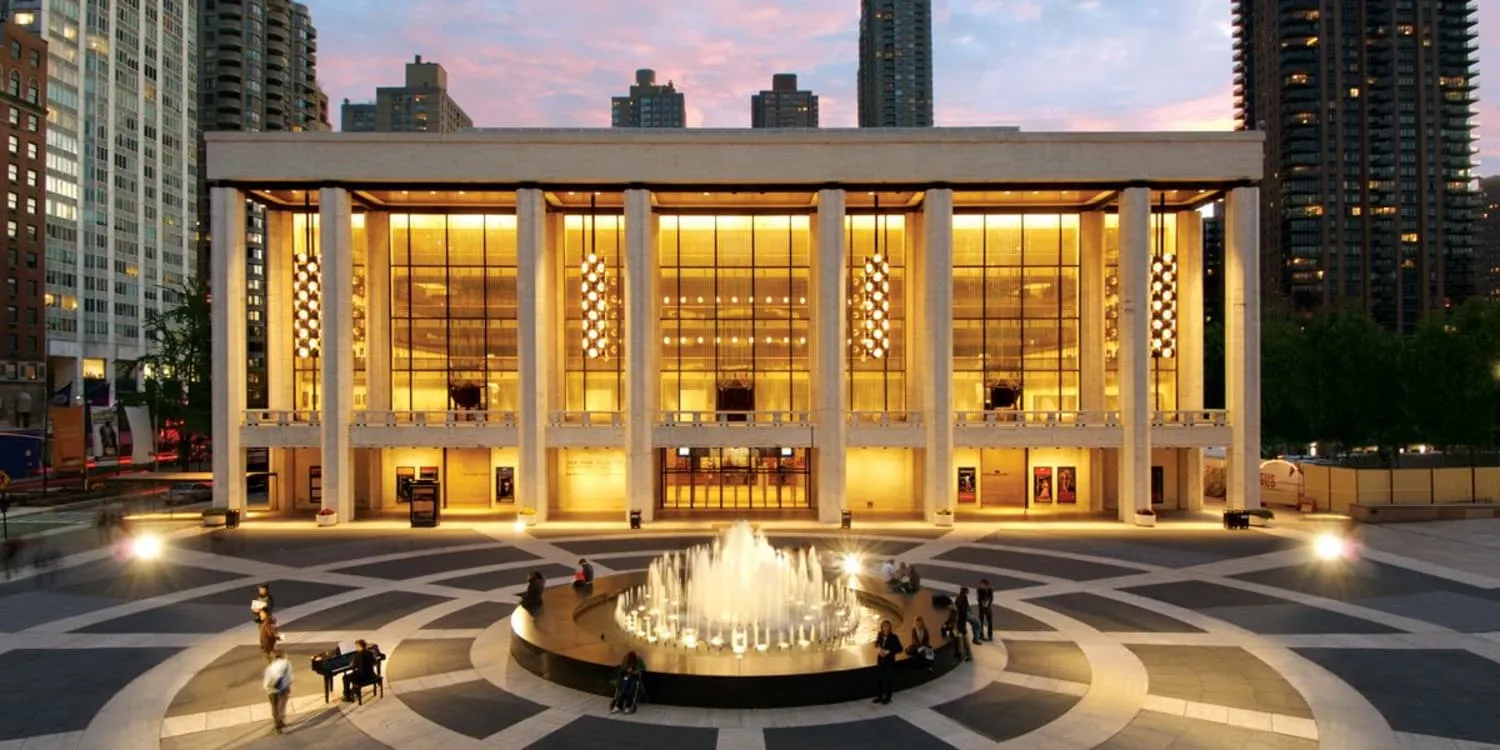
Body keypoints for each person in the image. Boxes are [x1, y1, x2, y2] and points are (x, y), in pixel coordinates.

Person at [263, 648, 293, 733]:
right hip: (280, 688)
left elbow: (276, 677)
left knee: (276, 707)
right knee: (281, 706)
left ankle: (278, 724)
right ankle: (280, 723)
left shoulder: (273, 665)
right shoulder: (286, 663)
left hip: (273, 689)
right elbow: (286, 677)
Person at [873, 619, 902, 704]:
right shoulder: (880, 635)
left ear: (889, 627)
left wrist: (889, 651)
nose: (885, 628)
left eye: (887, 626)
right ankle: (879, 696)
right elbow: (876, 643)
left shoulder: (894, 637)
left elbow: (900, 648)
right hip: (881, 660)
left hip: (889, 661)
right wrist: (879, 649)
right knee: (879, 678)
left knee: (888, 679)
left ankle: (888, 697)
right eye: (884, 626)